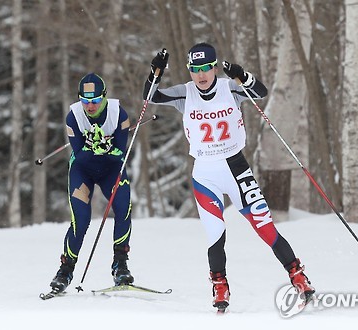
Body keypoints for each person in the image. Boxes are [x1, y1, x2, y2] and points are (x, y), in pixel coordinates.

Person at [143, 43, 315, 311]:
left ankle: (297, 275)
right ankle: (220, 285)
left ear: (213, 68)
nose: (201, 76)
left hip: (236, 168)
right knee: (216, 234)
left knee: (264, 226)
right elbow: (151, 97)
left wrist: (241, 74)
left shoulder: (228, 87)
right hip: (205, 173)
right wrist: (156, 71)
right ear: (190, 71)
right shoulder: (185, 94)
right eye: (195, 70)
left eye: (205, 69)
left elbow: (260, 92)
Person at [49, 73, 134, 293]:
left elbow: (120, 152)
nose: (90, 106)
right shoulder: (74, 116)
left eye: (95, 100)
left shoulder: (118, 114)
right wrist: (97, 147)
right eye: (85, 100)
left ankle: (120, 264)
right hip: (82, 171)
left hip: (110, 170)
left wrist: (106, 148)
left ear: (104, 97)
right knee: (82, 219)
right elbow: (80, 153)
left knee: (123, 207)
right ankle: (65, 270)